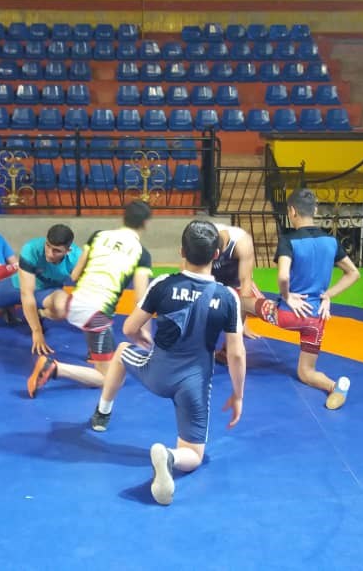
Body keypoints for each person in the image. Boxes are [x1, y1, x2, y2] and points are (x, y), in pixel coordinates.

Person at [88, 220, 246, 506]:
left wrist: (141, 338)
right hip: (193, 386)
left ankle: (102, 413)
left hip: (156, 373)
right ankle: (170, 456)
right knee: (194, 454)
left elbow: (129, 329)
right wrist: (238, 394)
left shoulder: (162, 284)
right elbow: (236, 354)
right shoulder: (228, 298)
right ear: (216, 255)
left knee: (122, 351)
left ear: (181, 251)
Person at [240, 188, 360, 410]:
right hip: (316, 319)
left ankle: (231, 349)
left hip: (288, 315)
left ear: (292, 211)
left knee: (240, 302)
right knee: (306, 372)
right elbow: (354, 273)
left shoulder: (289, 241)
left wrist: (287, 296)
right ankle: (335, 386)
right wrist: (328, 295)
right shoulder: (331, 241)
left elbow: (283, 276)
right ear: (315, 210)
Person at [25, 200, 153, 397]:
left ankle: (93, 350)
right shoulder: (142, 254)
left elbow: (75, 275)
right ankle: (54, 368)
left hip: (74, 303)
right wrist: (144, 331)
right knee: (111, 379)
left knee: (99, 332)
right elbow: (142, 299)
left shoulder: (98, 236)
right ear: (145, 224)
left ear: (123, 217)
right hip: (96, 315)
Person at [210, 223, 263, 364]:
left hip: (235, 277)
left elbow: (245, 282)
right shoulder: (197, 237)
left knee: (254, 307)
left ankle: (228, 348)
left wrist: (240, 324)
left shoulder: (242, 243)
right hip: (210, 277)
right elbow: (188, 276)